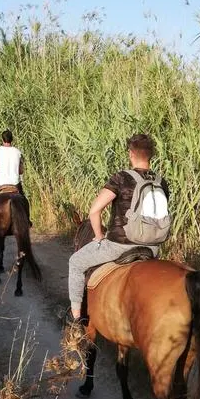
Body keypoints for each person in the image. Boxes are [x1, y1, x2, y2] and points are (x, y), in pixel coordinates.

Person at [67, 133, 170, 324]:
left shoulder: (122, 178)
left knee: (75, 262)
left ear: (131, 154)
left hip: (120, 246)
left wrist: (99, 236)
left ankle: (76, 318)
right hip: (153, 249)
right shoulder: (160, 182)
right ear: (151, 155)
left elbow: (94, 211)